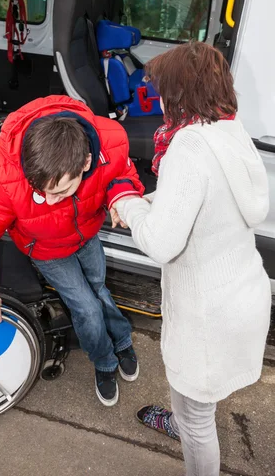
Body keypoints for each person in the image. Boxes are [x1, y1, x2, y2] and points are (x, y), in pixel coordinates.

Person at [112, 42, 271, 475]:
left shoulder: (187, 146)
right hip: (243, 297)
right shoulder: (228, 131)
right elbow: (199, 196)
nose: (157, 100)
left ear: (179, 93)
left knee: (199, 420)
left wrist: (127, 204)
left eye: (162, 90)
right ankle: (183, 422)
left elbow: (162, 243)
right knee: (199, 400)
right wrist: (145, 201)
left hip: (209, 315)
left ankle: (189, 432)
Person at [0, 95, 144, 406]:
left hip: (87, 235)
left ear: (86, 161)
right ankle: (105, 362)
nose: (52, 200)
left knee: (99, 290)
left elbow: (122, 175)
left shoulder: (111, 141)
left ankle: (122, 340)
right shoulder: (3, 174)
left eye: (62, 190)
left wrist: (121, 196)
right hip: (46, 248)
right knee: (86, 307)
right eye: (42, 191)